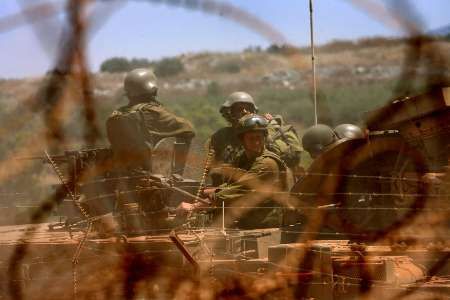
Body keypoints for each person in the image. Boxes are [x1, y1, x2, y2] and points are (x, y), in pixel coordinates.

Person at [179, 114, 293, 229]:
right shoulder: (243, 158)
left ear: (264, 137)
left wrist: (194, 206)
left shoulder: (267, 164)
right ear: (242, 140)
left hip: (265, 228)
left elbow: (233, 192)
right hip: (247, 223)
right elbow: (231, 185)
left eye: (259, 138)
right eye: (251, 138)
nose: (256, 142)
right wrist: (205, 191)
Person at [106, 68, 195, 175]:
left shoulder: (116, 114)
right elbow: (189, 129)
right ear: (153, 89)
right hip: (149, 176)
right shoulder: (152, 112)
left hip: (121, 174)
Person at [208, 91, 302, 184]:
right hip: (227, 185)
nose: (244, 112)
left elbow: (286, 161)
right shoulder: (221, 136)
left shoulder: (263, 132)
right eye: (239, 109)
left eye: (248, 108)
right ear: (229, 113)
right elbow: (209, 166)